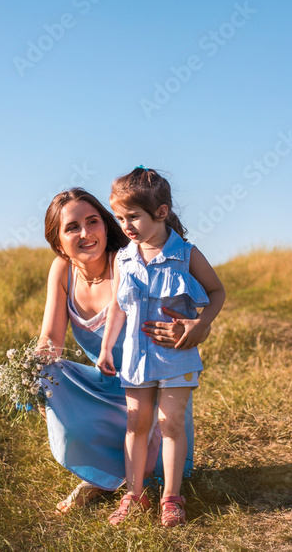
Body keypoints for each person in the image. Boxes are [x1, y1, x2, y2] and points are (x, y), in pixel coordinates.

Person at [35, 188, 210, 514]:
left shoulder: (128, 262)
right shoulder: (61, 271)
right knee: (47, 373)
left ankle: (127, 482)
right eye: (73, 227)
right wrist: (33, 372)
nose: (86, 233)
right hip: (106, 383)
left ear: (105, 225)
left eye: (93, 221)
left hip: (152, 386)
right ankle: (98, 474)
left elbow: (186, 307)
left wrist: (195, 327)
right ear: (59, 242)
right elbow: (51, 339)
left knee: (151, 471)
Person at [97, 167, 226, 527]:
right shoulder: (123, 258)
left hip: (177, 355)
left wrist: (202, 323)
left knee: (170, 425)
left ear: (161, 212)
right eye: (120, 218)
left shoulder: (185, 254)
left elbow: (218, 292)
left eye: (133, 216)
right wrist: (107, 348)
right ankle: (134, 494)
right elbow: (118, 308)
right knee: (136, 422)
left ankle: (171, 496)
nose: (126, 225)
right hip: (136, 358)